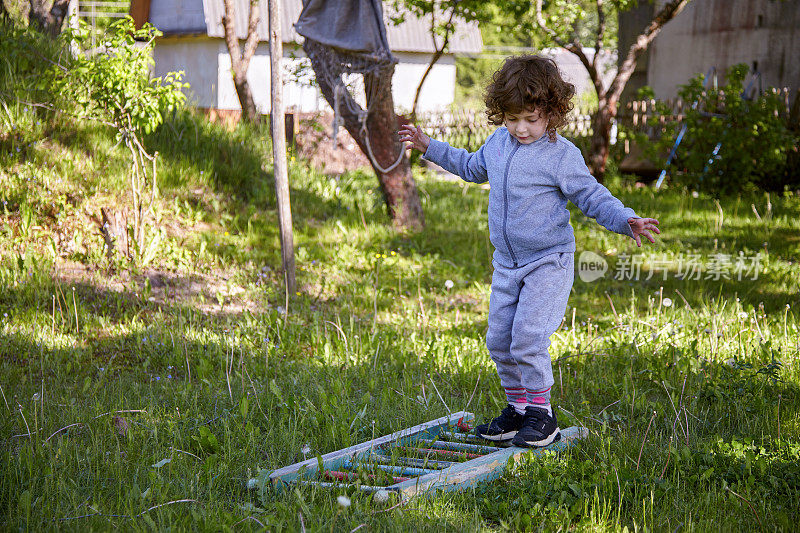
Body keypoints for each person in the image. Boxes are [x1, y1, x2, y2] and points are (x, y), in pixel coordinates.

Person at [399, 55, 661, 447]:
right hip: (506, 265)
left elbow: (591, 196)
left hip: (548, 263)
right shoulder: (497, 145)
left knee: (528, 338)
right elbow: (471, 168)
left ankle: (543, 416)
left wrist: (626, 220)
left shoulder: (561, 155)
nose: (520, 128)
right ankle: (518, 411)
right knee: (499, 341)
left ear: (552, 113)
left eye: (531, 119)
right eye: (511, 118)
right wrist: (429, 146)